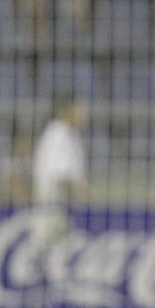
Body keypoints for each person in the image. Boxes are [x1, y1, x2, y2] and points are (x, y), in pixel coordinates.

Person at [32, 98, 87, 250]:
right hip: (51, 198)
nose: (83, 115)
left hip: (62, 199)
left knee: (61, 239)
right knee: (47, 236)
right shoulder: (57, 133)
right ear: (69, 110)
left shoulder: (72, 134)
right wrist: (77, 186)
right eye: (79, 110)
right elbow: (58, 170)